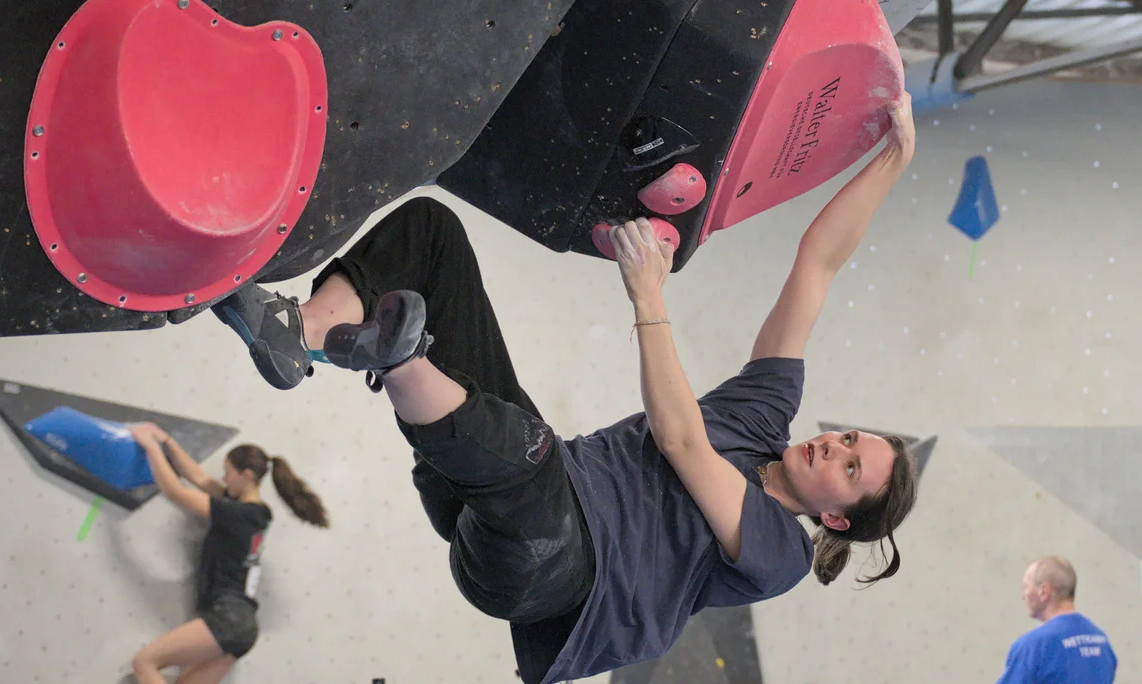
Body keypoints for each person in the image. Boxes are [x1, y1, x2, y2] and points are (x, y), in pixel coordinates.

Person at [212, 93, 920, 684]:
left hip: (556, 572)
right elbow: (818, 264)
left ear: (835, 520)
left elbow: (679, 441)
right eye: (849, 439)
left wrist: (649, 297)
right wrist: (894, 159)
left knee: (525, 449)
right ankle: (297, 332)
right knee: (433, 237)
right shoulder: (765, 414)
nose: (833, 447)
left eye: (849, 469)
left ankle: (395, 357)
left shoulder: (781, 555)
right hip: (499, 488)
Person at [127, 423, 329, 684]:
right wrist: (166, 439)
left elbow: (175, 492)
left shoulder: (239, 514)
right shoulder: (254, 513)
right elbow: (198, 477)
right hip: (241, 626)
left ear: (246, 475)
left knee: (145, 663)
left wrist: (150, 447)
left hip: (227, 618)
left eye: (227, 473)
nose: (223, 479)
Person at [997, 556, 1118, 684]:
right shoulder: (1101, 641)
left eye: (1026, 587)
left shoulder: (1033, 647)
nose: (1024, 595)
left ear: (1043, 591)